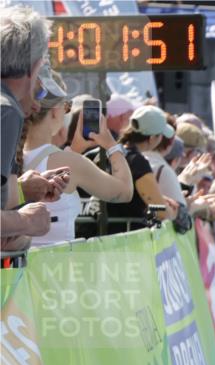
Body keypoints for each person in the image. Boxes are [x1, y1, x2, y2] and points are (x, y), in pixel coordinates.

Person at [21, 73, 134, 246]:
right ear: (55, 112)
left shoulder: (12, 155)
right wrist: (112, 145)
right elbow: (124, 192)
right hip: (56, 268)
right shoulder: (69, 162)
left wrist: (74, 150)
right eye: (66, 106)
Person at [1, 6, 70, 249]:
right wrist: (26, 222)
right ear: (34, 68)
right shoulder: (7, 110)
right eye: (41, 89)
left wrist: (21, 190)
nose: (38, 103)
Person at [106, 105, 179, 226]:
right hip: (123, 237)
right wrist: (174, 212)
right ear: (151, 138)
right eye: (160, 135)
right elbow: (161, 211)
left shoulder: (112, 152)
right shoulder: (137, 162)